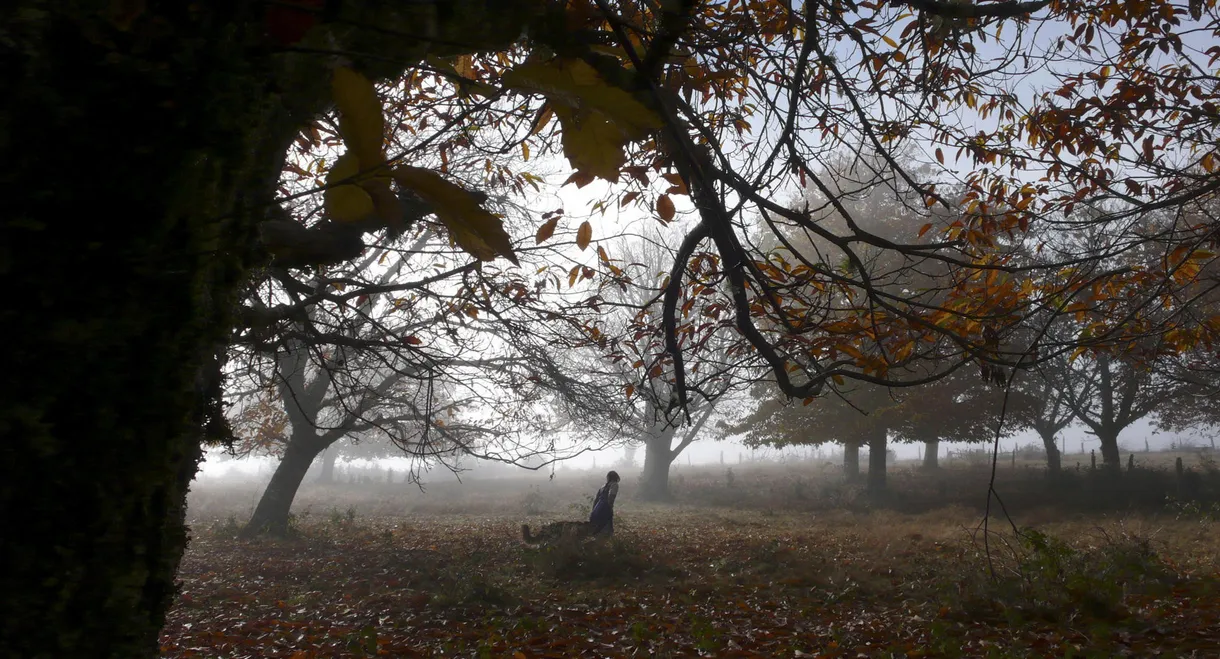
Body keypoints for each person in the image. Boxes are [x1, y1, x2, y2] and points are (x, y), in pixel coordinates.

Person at [588, 470, 620, 536]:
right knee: (606, 526)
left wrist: (594, 510)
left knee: (596, 525)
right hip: (605, 507)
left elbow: (596, 499)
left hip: (597, 507)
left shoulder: (603, 486)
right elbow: (611, 496)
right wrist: (610, 507)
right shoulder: (614, 485)